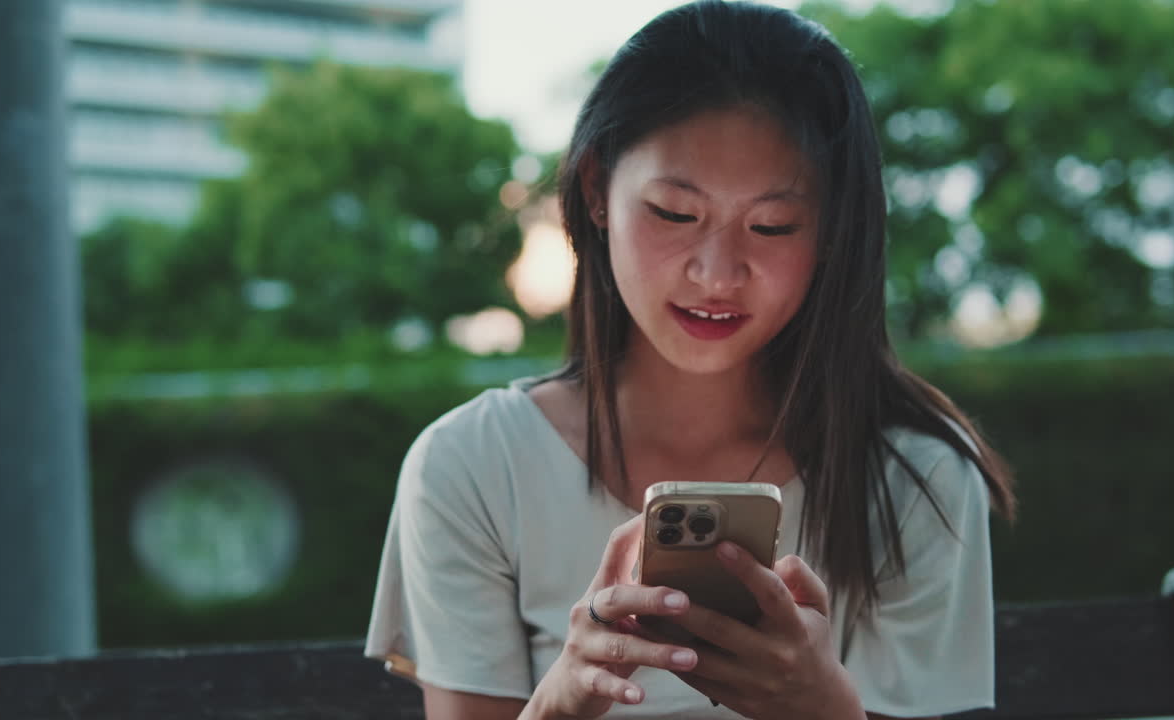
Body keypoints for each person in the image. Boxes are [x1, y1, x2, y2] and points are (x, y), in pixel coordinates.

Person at [365, 1, 1017, 718]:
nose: (717, 273)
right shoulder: (475, 467)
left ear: (833, 232)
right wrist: (563, 698)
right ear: (596, 191)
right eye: (675, 214)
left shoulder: (915, 479)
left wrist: (823, 709)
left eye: (772, 226)